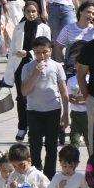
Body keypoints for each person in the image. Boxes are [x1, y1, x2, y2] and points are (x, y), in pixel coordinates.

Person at [20, 35, 70, 175]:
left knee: (51, 145)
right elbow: (24, 91)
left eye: (44, 51)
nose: (41, 55)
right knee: (35, 144)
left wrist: (65, 114)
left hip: (53, 109)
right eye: (37, 52)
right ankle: (36, 170)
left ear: (51, 51)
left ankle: (50, 174)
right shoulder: (28, 67)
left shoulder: (57, 66)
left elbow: (63, 91)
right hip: (34, 110)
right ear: (33, 53)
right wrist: (36, 73)